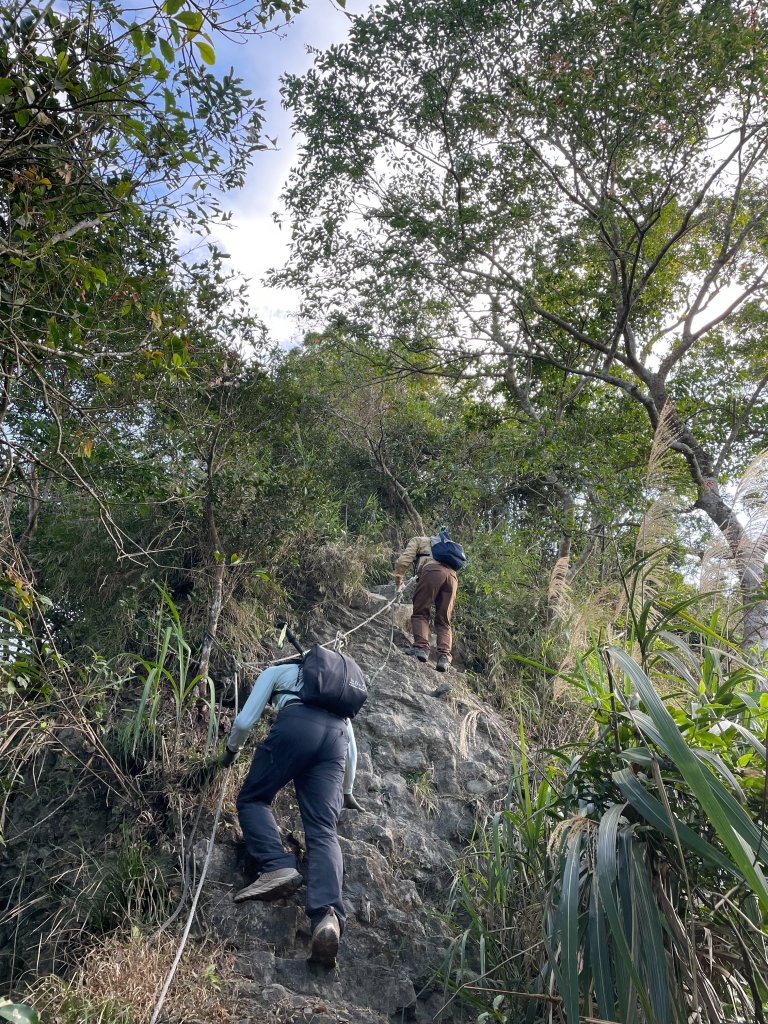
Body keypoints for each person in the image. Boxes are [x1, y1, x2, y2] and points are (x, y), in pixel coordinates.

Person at [221, 660, 351, 966]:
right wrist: (347, 791)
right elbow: (352, 749)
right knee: (324, 830)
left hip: (297, 725)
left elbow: (244, 722)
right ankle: (328, 917)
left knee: (253, 798)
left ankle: (277, 865)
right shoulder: (336, 691)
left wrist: (230, 752)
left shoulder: (278, 672)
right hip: (336, 741)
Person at [394, 533, 458, 672]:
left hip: (432, 571)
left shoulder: (418, 540)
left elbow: (403, 561)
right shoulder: (448, 547)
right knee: (444, 619)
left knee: (421, 612)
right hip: (452, 577)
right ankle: (444, 657)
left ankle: (421, 648)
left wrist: (399, 580)